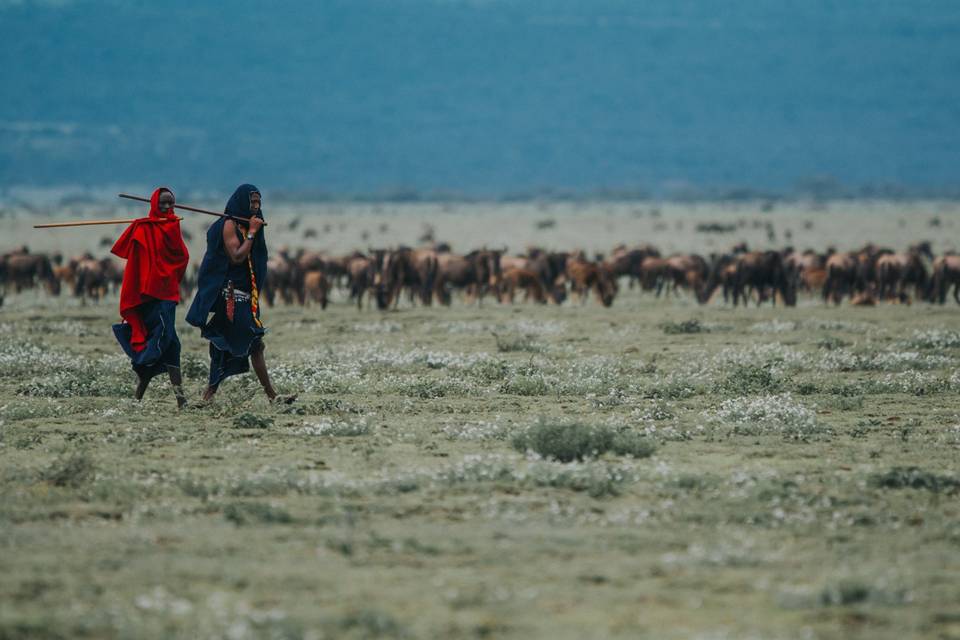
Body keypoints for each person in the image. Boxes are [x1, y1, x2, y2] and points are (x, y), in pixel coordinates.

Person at [186, 184, 294, 403]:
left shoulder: (244, 225)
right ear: (241, 202)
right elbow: (237, 256)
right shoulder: (229, 225)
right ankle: (272, 397)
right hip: (231, 298)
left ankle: (208, 396)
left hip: (245, 297)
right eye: (252, 202)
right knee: (255, 344)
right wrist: (253, 232)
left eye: (258, 203)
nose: (255, 207)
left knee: (226, 346)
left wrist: (252, 230)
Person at [111, 187, 190, 407]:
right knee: (165, 341)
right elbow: (136, 265)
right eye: (163, 203)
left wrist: (170, 278)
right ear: (154, 204)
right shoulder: (143, 228)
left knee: (170, 344)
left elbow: (181, 257)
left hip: (167, 294)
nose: (166, 207)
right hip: (149, 296)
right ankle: (144, 364)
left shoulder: (173, 227)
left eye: (170, 203)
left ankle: (174, 400)